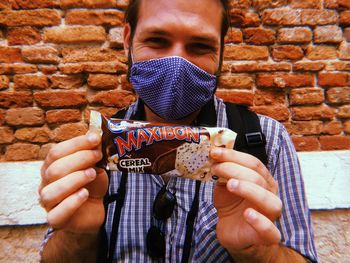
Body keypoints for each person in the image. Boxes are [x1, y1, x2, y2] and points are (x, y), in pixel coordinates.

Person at [39, 0, 318, 262]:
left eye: (199, 46)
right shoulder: (95, 148)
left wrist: (259, 252)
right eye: (157, 41)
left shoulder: (267, 141)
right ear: (127, 40)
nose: (177, 65)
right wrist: (77, 236)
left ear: (221, 49)